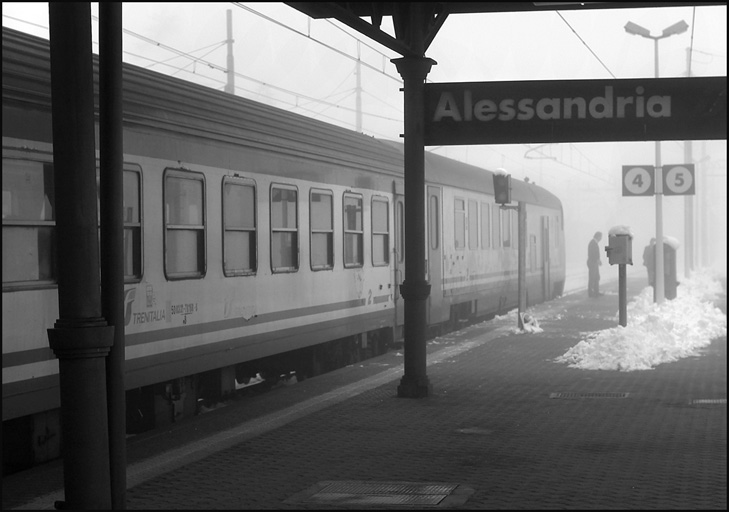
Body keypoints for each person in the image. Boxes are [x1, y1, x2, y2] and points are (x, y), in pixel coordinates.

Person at [587, 231, 603, 297]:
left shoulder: (594, 243)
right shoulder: (593, 243)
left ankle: (596, 291)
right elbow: (593, 253)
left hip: (594, 262)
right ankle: (591, 292)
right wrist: (597, 260)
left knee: (596, 277)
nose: (601, 239)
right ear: (598, 237)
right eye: (601, 237)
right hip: (593, 262)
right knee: (592, 278)